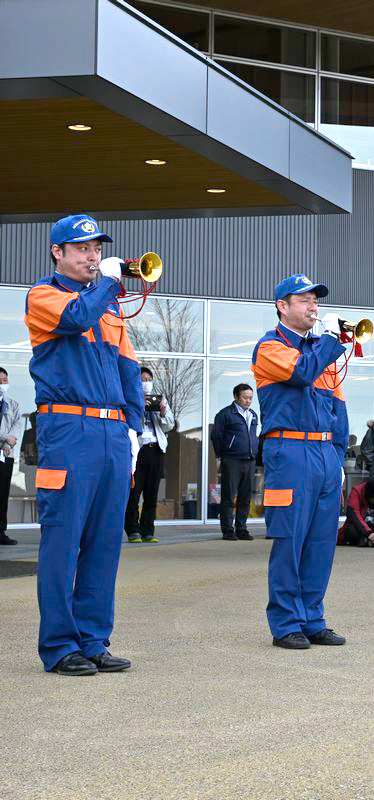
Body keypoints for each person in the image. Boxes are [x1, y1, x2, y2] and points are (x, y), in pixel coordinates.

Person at [27, 213, 142, 675]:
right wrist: (107, 286)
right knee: (63, 539)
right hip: (68, 429)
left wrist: (133, 427)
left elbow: (128, 369)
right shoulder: (43, 295)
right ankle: (59, 645)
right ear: (58, 252)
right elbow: (75, 318)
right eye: (82, 248)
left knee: (104, 541)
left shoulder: (108, 305)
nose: (92, 256)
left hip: (111, 432)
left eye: (96, 248)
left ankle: (94, 640)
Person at [252, 273, 349, 650]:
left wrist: (337, 456)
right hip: (289, 450)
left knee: (321, 541)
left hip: (323, 452)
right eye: (304, 300)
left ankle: (313, 617)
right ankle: (285, 622)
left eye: (315, 300)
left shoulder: (320, 351)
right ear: (282, 306)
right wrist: (329, 342)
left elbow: (338, 408)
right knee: (290, 539)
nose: (313, 307)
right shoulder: (270, 347)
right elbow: (301, 372)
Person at [125, 366, 175, 543]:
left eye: (148, 380)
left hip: (156, 449)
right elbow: (128, 422)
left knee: (152, 493)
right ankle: (132, 530)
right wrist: (140, 407)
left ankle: (148, 531)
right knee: (134, 492)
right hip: (138, 450)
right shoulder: (129, 398)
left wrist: (161, 411)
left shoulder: (161, 399)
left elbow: (170, 425)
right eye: (142, 380)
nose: (145, 383)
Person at [210, 383, 259, 541]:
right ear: (237, 397)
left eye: (251, 398)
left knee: (245, 497)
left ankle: (242, 528)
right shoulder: (225, 414)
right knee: (228, 496)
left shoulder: (253, 415)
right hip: (232, 460)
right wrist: (222, 454)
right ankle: (227, 530)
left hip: (249, 460)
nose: (248, 401)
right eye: (245, 397)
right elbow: (216, 436)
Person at [0, 367, 21, 545]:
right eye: (0, 381)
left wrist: (8, 443)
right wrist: (6, 437)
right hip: (4, 445)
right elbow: (7, 432)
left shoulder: (12, 404)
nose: (3, 384)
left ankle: (1, 532)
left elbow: (16, 425)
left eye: (5, 380)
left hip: (6, 455)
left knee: (2, 494)